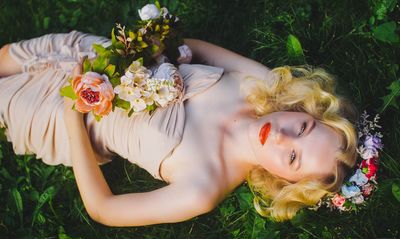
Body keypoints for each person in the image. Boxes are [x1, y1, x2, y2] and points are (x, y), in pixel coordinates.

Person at [0, 31, 358, 227]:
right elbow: (197, 47)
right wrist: (161, 51)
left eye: (293, 157)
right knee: (6, 55)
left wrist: (71, 115)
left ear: (285, 181)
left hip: (59, 116)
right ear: (304, 111)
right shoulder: (261, 85)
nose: (282, 136)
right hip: (95, 57)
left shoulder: (202, 188)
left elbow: (103, 209)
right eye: (303, 126)